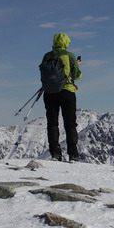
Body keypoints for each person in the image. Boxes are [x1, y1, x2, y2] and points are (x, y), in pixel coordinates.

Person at [41, 33, 82, 162]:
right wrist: (77, 65)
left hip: (49, 93)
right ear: (66, 42)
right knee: (70, 124)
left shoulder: (47, 56)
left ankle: (55, 153)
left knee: (52, 123)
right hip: (67, 92)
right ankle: (73, 154)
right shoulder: (69, 56)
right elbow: (77, 75)